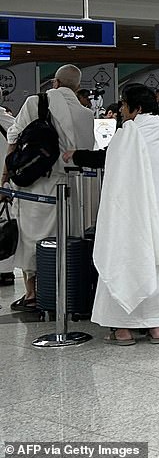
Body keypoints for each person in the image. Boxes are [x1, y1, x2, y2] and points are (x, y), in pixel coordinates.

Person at [64, 85, 159, 345]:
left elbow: (114, 178)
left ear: (137, 108)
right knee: (158, 270)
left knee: (125, 265)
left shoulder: (126, 137)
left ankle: (123, 330)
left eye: (123, 105)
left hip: (130, 220)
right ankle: (156, 328)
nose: (120, 110)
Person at [4, 65, 94, 311]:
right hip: (70, 187)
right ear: (77, 87)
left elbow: (14, 137)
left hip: (35, 183)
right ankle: (60, 288)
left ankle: (32, 293)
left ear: (55, 82)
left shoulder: (37, 101)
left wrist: (6, 174)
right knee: (63, 237)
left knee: (31, 239)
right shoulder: (86, 114)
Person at [0, 93, 16, 287]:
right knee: (6, 227)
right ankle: (6, 271)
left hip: (5, 184)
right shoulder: (10, 121)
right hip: (8, 186)